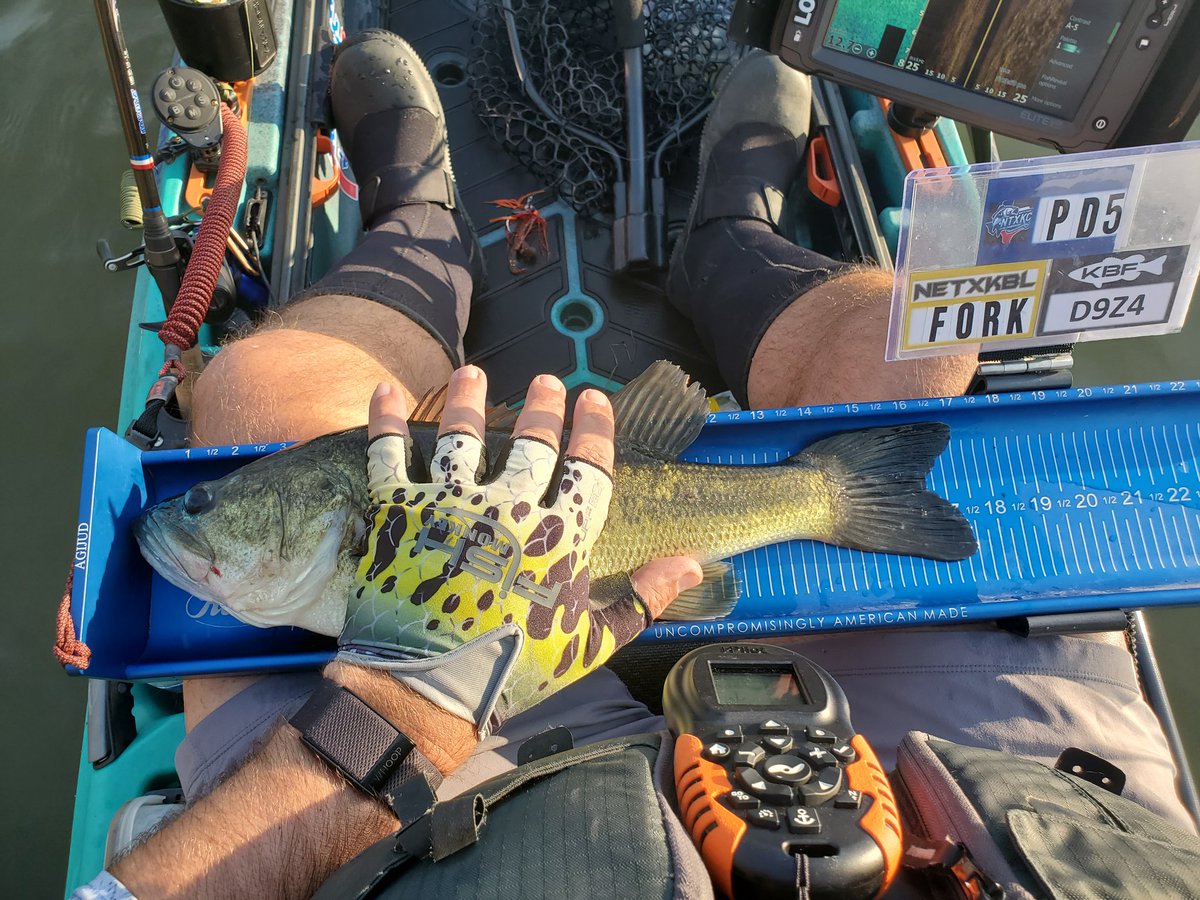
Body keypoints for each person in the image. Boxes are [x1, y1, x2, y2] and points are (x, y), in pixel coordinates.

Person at [72, 31, 1194, 899]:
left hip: (413, 808)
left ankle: (417, 233)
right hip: (1015, 785)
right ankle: (735, 246)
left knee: (254, 402)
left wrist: (371, 732)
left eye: (221, 515)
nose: (194, 524)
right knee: (911, 349)